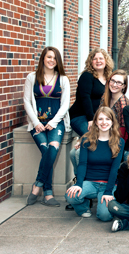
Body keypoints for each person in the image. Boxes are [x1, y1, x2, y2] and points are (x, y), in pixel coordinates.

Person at [24, 46, 70, 207]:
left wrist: (53, 122)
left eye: (55, 58)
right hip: (37, 123)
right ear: (43, 58)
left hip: (56, 123)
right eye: (49, 57)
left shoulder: (63, 79)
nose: (51, 60)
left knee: (52, 149)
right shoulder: (32, 77)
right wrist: (36, 122)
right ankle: (48, 193)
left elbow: (65, 105)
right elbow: (27, 101)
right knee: (46, 151)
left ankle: (37, 186)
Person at [65, 107, 125, 221]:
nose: (104, 122)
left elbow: (115, 169)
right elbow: (82, 164)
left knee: (105, 216)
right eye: (100, 119)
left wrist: (108, 191)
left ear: (112, 122)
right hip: (90, 182)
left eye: (107, 119)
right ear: (96, 122)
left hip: (108, 184)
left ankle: (108, 201)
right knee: (70, 195)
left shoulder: (119, 142)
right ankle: (84, 208)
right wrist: (78, 184)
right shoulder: (87, 140)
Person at [69, 48, 113, 136]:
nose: (98, 61)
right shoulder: (87, 76)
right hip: (81, 116)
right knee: (91, 137)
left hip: (99, 117)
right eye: (95, 59)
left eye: (101, 58)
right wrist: (91, 119)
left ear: (106, 61)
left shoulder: (109, 77)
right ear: (91, 62)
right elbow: (85, 98)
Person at [100, 69, 129, 140]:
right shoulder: (105, 97)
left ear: (124, 86)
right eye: (113, 80)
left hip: (115, 140)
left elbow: (122, 133)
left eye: (119, 82)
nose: (114, 85)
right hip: (102, 134)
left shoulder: (124, 104)